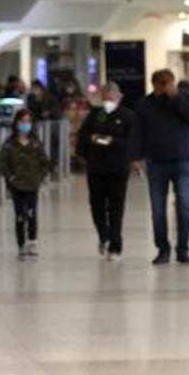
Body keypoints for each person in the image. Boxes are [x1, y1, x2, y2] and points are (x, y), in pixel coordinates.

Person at [133, 68, 189, 265]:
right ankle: (163, 249)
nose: (166, 87)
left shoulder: (183, 99)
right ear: (154, 85)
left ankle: (183, 249)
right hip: (156, 162)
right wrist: (137, 157)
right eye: (162, 84)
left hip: (182, 160)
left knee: (184, 204)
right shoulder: (144, 105)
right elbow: (138, 132)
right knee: (158, 209)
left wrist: (176, 98)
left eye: (169, 83)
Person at [77, 82, 138, 262]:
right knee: (97, 205)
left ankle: (115, 244)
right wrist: (91, 142)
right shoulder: (95, 115)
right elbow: (83, 138)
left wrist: (114, 141)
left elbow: (132, 141)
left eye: (111, 97)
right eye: (105, 97)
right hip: (96, 167)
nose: (108, 100)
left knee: (116, 207)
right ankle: (103, 235)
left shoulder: (128, 116)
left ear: (119, 97)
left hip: (118, 168)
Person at [0, 109, 52, 260]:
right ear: (16, 123)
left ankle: (32, 242)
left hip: (32, 184)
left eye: (28, 121)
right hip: (17, 186)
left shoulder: (36, 143)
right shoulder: (9, 144)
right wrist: (10, 178)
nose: (25, 124)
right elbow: (3, 163)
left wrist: (39, 177)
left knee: (31, 214)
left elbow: (45, 162)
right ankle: (21, 245)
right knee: (20, 216)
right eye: (22, 121)